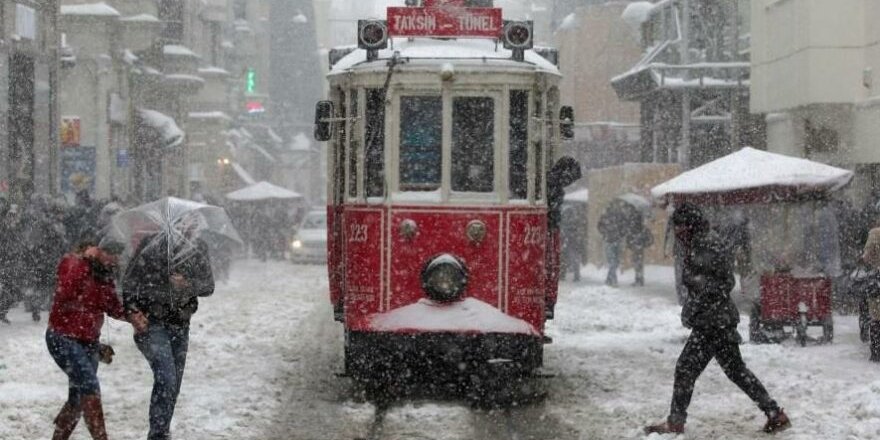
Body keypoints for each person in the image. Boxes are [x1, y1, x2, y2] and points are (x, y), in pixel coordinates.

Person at [645, 203, 790, 435]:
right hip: (716, 319)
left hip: (712, 322)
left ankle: (675, 421)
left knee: (685, 369)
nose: (677, 232)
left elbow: (719, 282)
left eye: (680, 227)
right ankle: (774, 412)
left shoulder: (705, 244)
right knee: (736, 371)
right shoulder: (701, 241)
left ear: (689, 225)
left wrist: (697, 299)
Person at [122, 215, 215, 440]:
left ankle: (161, 430)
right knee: (166, 379)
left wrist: (187, 284)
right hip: (153, 323)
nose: (189, 227)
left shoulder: (197, 248)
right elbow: (128, 283)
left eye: (193, 223)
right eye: (183, 223)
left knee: (174, 384)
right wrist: (133, 311)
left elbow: (208, 285)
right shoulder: (151, 246)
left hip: (181, 324)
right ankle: (158, 434)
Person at [46, 241, 147, 440]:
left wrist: (131, 316)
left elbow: (111, 306)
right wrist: (84, 263)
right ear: (98, 251)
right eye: (111, 254)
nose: (115, 260)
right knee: (89, 386)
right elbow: (64, 292)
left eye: (118, 255)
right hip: (63, 337)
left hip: (89, 342)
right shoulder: (73, 263)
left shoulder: (105, 276)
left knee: (77, 398)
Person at [860, 222, 880, 362]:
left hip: (878, 278)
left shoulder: (875, 233)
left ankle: (876, 352)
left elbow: (866, 257)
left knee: (876, 316)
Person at [598, 201, 627, 287]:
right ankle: (614, 280)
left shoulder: (607, 216)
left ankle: (608, 279)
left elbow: (599, 226)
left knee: (614, 262)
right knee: (614, 262)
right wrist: (620, 234)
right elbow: (624, 227)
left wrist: (604, 233)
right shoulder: (617, 215)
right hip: (614, 240)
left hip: (611, 240)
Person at [626, 219, 653, 286]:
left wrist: (631, 245)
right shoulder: (642, 229)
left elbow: (628, 239)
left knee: (637, 264)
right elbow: (650, 239)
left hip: (637, 248)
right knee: (638, 264)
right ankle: (639, 279)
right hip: (638, 248)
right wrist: (644, 244)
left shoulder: (634, 229)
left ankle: (639, 279)